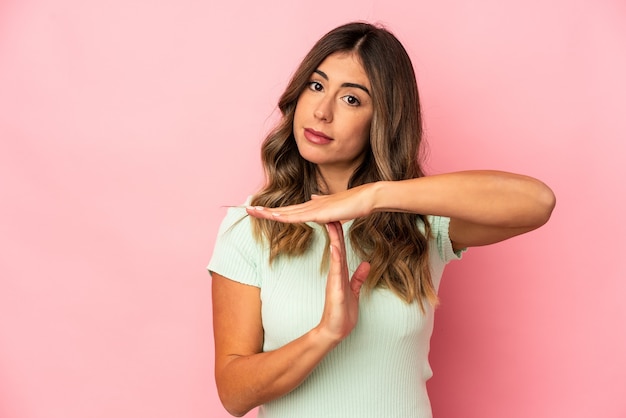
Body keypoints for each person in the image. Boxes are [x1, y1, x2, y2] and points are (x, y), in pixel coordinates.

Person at [208, 21, 555, 418]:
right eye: (317, 86)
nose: (322, 111)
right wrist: (325, 334)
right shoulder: (252, 224)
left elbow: (538, 201)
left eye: (352, 99)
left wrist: (376, 196)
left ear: (383, 119)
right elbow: (234, 394)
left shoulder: (420, 224)